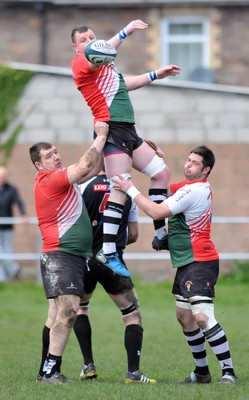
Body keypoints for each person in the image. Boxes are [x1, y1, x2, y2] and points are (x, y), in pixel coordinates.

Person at [113, 145, 238, 384]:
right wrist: (158, 165)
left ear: (206, 169)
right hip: (187, 262)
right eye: (188, 160)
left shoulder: (195, 191)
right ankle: (202, 373)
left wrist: (130, 189)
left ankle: (228, 373)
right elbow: (160, 190)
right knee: (185, 316)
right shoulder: (188, 187)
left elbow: (157, 210)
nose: (188, 164)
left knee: (202, 317)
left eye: (194, 162)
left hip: (200, 261)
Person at [71, 20, 181, 278]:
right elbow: (100, 51)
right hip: (112, 129)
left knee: (161, 173)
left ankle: (160, 234)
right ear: (76, 48)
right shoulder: (84, 62)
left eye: (92, 35)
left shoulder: (106, 68)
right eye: (84, 39)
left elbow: (124, 83)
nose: (91, 41)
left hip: (128, 130)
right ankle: (108, 251)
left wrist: (156, 74)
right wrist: (126, 31)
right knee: (120, 186)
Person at [29, 121, 108, 384]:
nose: (56, 156)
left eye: (56, 151)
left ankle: (45, 370)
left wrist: (108, 142)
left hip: (69, 256)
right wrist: (101, 135)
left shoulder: (61, 180)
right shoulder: (50, 179)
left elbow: (94, 167)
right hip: (61, 256)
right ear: (39, 165)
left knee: (57, 314)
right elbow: (86, 164)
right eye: (49, 155)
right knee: (69, 312)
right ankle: (51, 371)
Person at [73, 170, 156, 384]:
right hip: (113, 261)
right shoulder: (127, 189)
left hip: (86, 259)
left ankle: (88, 365)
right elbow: (135, 234)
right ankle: (133, 373)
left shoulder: (83, 185)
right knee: (132, 315)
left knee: (81, 308)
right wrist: (115, 241)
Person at [0, 166, 28, 282]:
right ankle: (14, 270)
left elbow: (19, 202)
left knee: (7, 252)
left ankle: (3, 279)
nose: (2, 178)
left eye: (4, 176)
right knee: (1, 252)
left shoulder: (12, 189)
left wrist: (23, 215)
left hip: (7, 226)